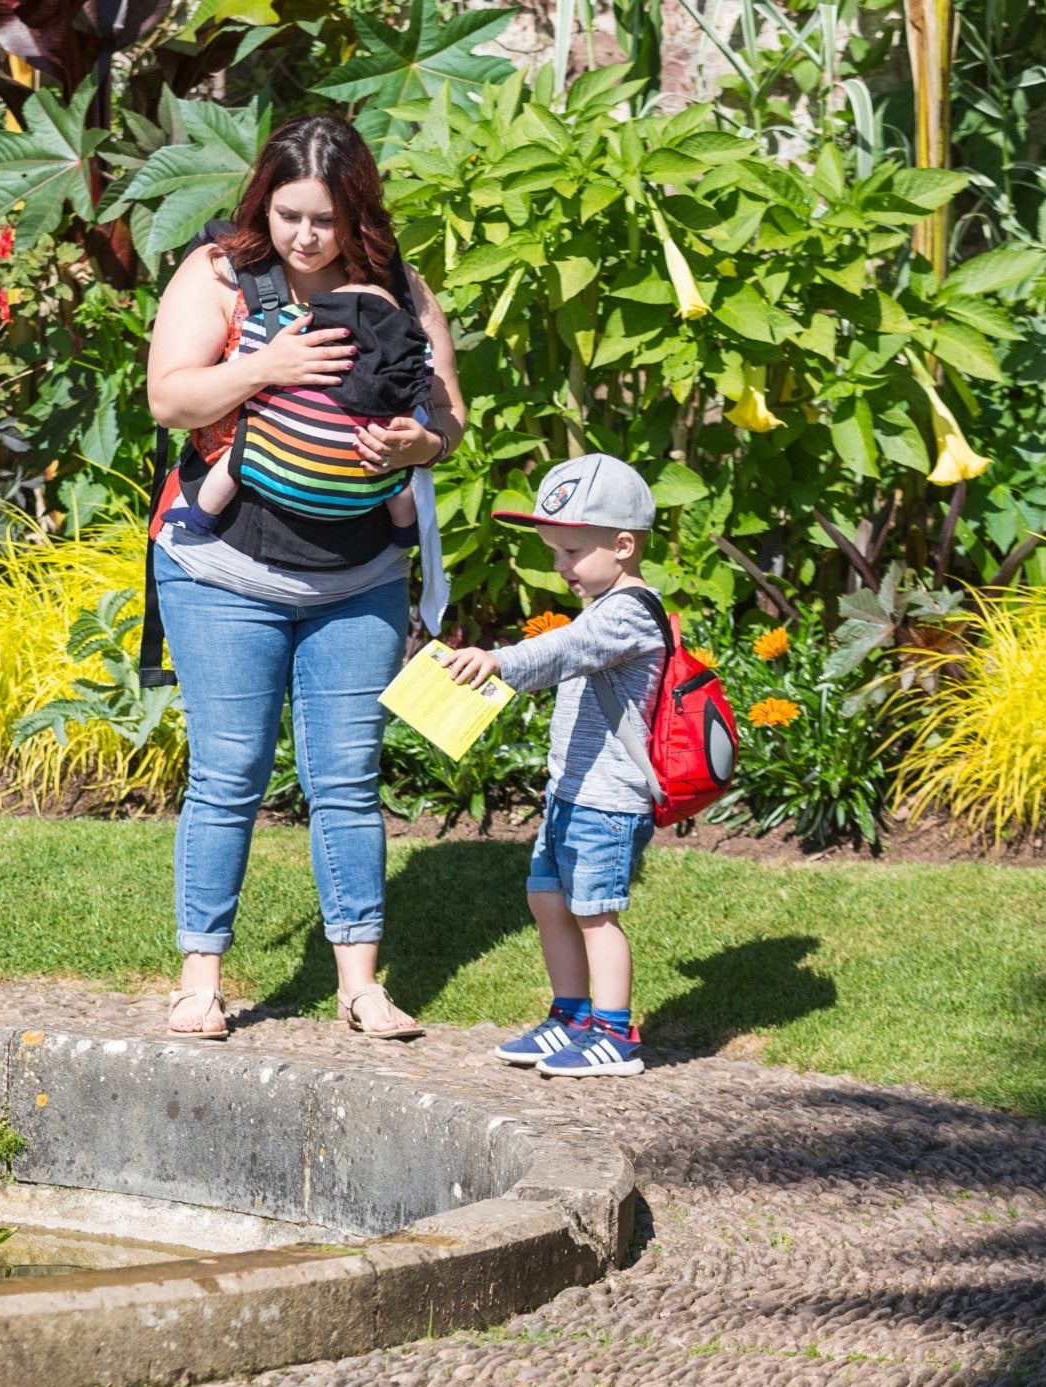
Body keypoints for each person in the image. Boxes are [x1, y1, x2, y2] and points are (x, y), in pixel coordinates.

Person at [144, 115, 467, 1042]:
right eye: (289, 215)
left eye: (324, 219)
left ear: (355, 211)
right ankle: (200, 977)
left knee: (347, 779)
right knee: (230, 771)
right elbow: (170, 397)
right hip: (224, 567)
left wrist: (422, 440)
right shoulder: (222, 276)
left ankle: (360, 984)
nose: (305, 237)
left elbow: (448, 417)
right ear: (264, 203)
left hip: (357, 572)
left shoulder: (400, 288)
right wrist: (268, 365)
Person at [435, 453, 671, 1077]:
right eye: (553, 551)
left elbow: (566, 649)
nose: (559, 566)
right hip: (572, 791)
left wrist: (501, 661)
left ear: (623, 545)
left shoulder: (629, 610)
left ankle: (615, 1033)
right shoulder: (601, 604)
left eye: (570, 552)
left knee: (595, 911)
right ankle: (571, 1016)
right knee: (548, 900)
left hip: (609, 798)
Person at [170, 281, 429, 540]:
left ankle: (201, 517)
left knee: (235, 461)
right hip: (364, 490)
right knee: (399, 485)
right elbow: (428, 377)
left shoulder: (302, 336)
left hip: (273, 477)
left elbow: (246, 351)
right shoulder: (402, 359)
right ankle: (405, 533)